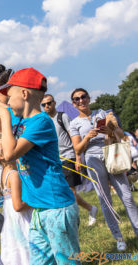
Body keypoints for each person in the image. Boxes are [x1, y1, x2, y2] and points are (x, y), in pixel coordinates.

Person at [0, 67, 80, 265]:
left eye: (9, 95)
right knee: (39, 262)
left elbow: (10, 153)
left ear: (24, 94)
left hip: (57, 208)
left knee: (67, 261)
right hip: (40, 210)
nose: (6, 101)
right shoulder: (19, 118)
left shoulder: (41, 122)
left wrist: (4, 116)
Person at [69, 88, 138, 252]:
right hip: (93, 159)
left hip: (112, 153)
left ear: (88, 98)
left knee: (127, 196)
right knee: (105, 200)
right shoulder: (74, 124)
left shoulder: (103, 113)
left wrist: (111, 131)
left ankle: (137, 230)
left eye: (83, 97)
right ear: (73, 103)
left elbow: (122, 135)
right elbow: (78, 149)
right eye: (76, 99)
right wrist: (87, 137)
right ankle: (118, 237)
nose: (81, 101)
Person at [41, 94, 98, 226]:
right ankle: (89, 208)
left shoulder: (62, 117)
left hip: (68, 157)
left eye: (49, 103)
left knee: (70, 191)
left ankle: (75, 219)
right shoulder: (44, 120)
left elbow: (74, 136)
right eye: (43, 105)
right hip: (55, 160)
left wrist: (78, 157)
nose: (47, 106)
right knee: (62, 191)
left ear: (54, 103)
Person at [0, 134, 31, 265]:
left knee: (15, 247)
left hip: (10, 218)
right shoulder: (14, 175)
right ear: (1, 156)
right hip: (20, 218)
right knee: (25, 245)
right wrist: (35, 200)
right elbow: (18, 206)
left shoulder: (4, 173)